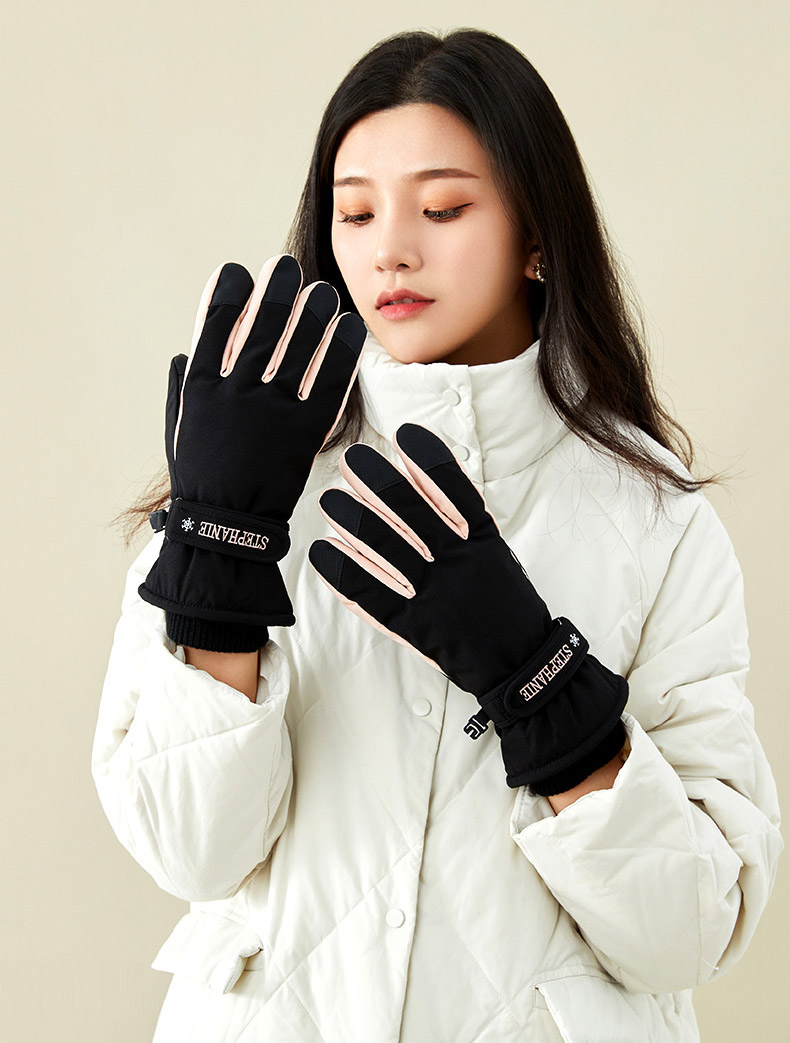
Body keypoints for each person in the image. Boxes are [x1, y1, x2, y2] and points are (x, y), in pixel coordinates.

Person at [92, 27, 782, 1043]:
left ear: (537, 233)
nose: (390, 249)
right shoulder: (248, 480)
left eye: (444, 207)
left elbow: (687, 933)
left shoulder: (658, 520)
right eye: (356, 211)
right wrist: (216, 553)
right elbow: (192, 852)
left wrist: (540, 680)